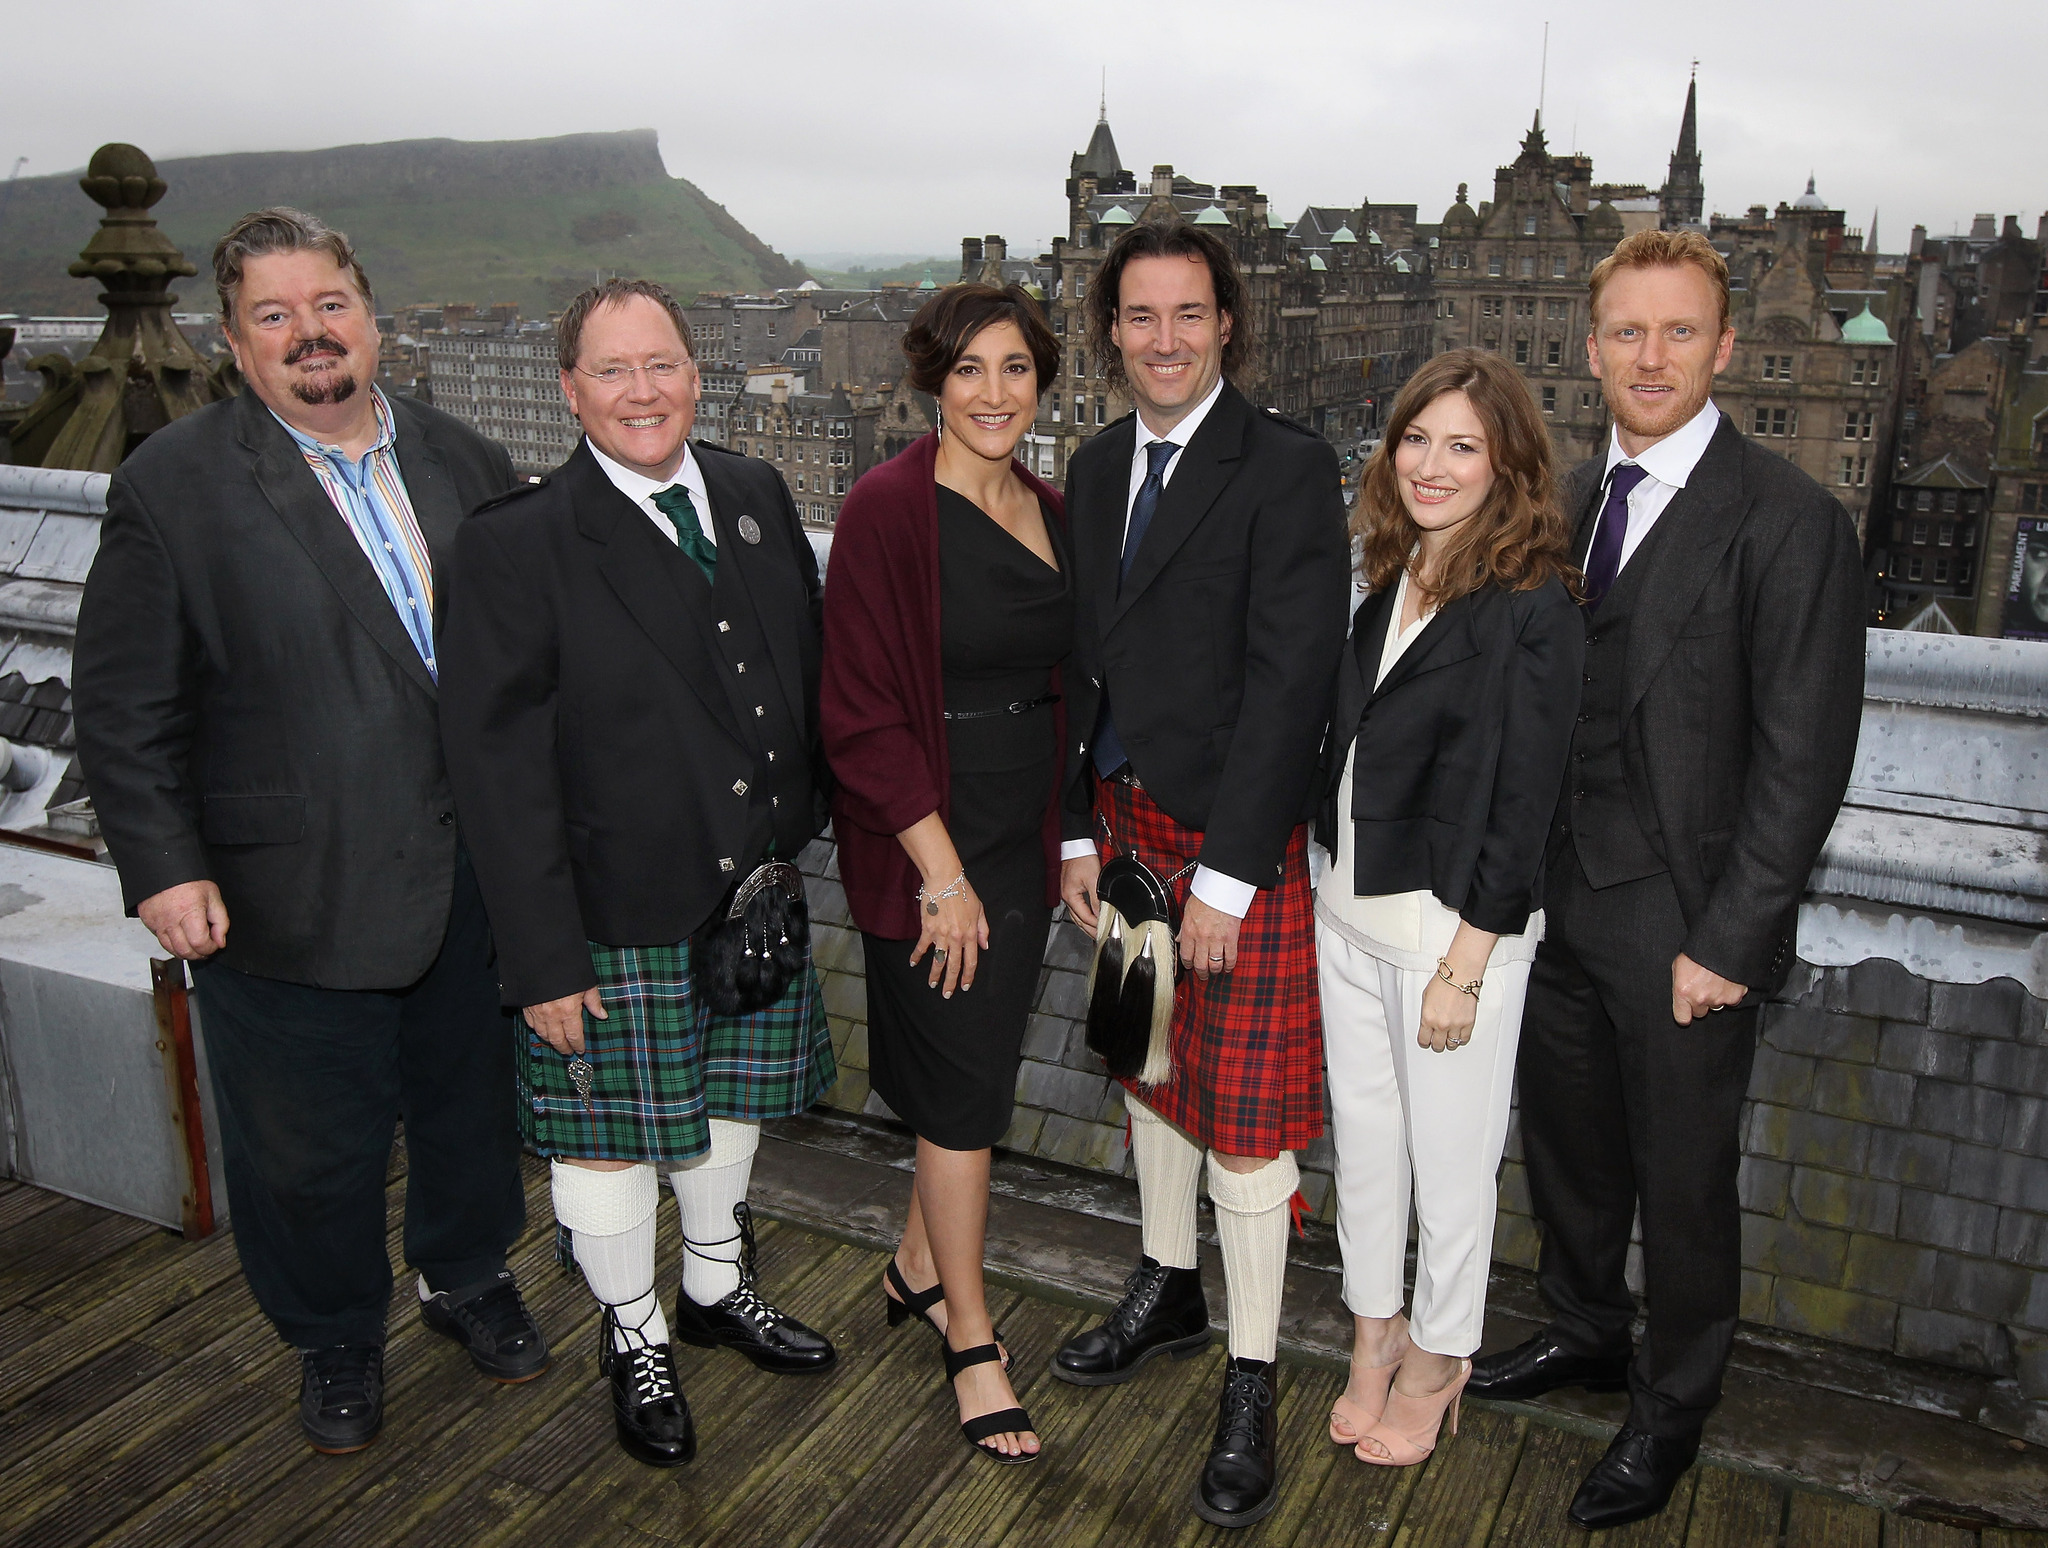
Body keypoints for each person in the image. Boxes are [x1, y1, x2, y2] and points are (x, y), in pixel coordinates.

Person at [73, 208, 543, 1456]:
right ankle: (335, 1336)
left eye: (327, 304)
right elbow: (121, 706)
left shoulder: (468, 461)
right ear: (233, 343)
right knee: (308, 1151)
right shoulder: (170, 487)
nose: (309, 334)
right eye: (273, 316)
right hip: (284, 889)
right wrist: (163, 868)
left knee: (466, 1111)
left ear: (371, 314)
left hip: (467, 882)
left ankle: (464, 1276)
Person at [1465, 229, 1866, 1530]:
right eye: (1627, 332)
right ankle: (1584, 1328)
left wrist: (1734, 937)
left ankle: (1673, 1405)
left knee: (1685, 1180)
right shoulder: (1566, 502)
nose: (1650, 356)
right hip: (1559, 902)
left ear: (1725, 348)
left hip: (1687, 925)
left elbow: (1804, 762)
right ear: (1592, 350)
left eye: (1678, 331)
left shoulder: (1790, 521)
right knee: (1571, 1149)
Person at [438, 278, 838, 1471]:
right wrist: (542, 959)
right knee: (603, 1139)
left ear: (695, 371)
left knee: (726, 1113)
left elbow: (799, 673)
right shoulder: (515, 544)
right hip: (608, 911)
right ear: (570, 391)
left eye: (659, 363)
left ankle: (715, 1287)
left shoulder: (754, 493)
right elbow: (495, 772)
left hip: (749, 889)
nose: (640, 391)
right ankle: (636, 1329)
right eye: (610, 371)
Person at [1052, 219, 1350, 1528]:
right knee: (1151, 1071)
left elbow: (1298, 681)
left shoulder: (1283, 470)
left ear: (1227, 324)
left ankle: (1252, 1373)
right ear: (1110, 330)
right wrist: (1072, 830)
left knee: (1248, 1123)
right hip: (1121, 831)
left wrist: (1231, 875)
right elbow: (1079, 666)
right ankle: (1169, 1288)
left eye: (1187, 314)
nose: (1162, 339)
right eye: (1138, 316)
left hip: (1233, 843)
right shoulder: (1097, 459)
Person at [1313, 350, 1583, 1470]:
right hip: (1346, 911)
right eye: (1415, 439)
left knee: (1451, 1161)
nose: (1430, 465)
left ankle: (1439, 1356)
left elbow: (1524, 802)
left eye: (1461, 445)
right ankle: (1373, 1334)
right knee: (1368, 1146)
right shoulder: (1391, 578)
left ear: (1507, 463)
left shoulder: (1532, 608)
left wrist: (1467, 962)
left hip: (1448, 937)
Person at [821, 282, 1069, 1465]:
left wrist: (1067, 840)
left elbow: (1075, 693)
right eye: (968, 370)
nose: (992, 394)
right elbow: (859, 712)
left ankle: (920, 1266)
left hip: (1021, 837)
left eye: (1014, 369)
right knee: (966, 1097)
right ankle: (972, 1341)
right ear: (930, 381)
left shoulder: (1054, 509)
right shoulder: (884, 510)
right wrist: (937, 871)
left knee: (974, 1070)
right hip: (931, 842)